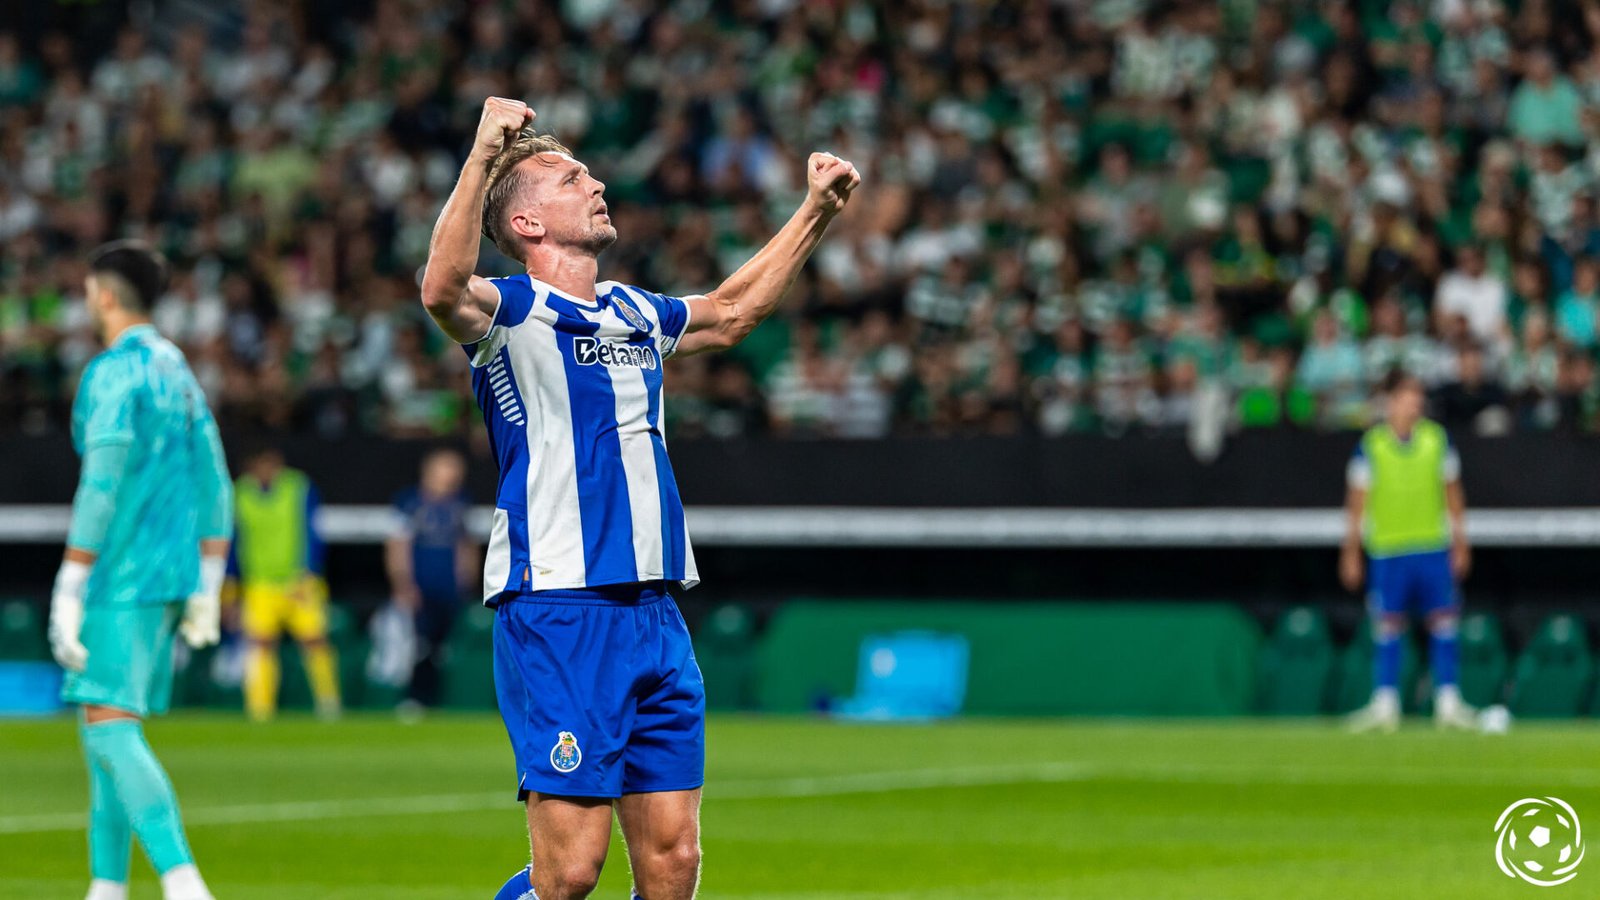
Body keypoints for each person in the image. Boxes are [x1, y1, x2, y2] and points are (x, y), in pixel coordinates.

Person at [419, 97, 857, 900]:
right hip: (559, 604)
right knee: (569, 873)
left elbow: (731, 313)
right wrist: (482, 154)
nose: (594, 184)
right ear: (526, 224)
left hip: (654, 612)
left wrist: (815, 212)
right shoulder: (511, 313)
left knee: (672, 862)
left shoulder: (631, 310)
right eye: (569, 179)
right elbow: (441, 289)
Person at [48, 240, 232, 900]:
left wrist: (70, 581)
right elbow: (215, 482)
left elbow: (100, 484)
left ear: (103, 294)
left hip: (120, 577)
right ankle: (106, 887)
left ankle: (184, 884)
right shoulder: (178, 370)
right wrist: (208, 581)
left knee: (111, 728)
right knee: (104, 730)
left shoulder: (112, 372)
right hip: (172, 576)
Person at [1341, 369, 1476, 733]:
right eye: (1406, 397)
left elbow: (1452, 492)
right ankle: (1385, 703)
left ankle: (1448, 702)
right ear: (1390, 401)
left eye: (1417, 398)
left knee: (1444, 622)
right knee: (1387, 627)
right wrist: (1350, 552)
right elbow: (1357, 502)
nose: (1413, 404)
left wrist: (1460, 542)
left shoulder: (1436, 439)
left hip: (1431, 545)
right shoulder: (1371, 445)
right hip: (1388, 549)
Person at [230, 446, 341, 721]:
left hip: (298, 581)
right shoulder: (240, 493)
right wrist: (232, 587)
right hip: (260, 582)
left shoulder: (298, 487)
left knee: (315, 641)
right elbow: (234, 541)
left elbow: (312, 531)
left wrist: (310, 571)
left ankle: (329, 703)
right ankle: (260, 710)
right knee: (260, 645)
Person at [386, 448, 478, 713]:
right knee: (417, 644)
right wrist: (403, 583)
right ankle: (413, 698)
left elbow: (466, 544)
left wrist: (468, 578)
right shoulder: (409, 502)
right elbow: (397, 545)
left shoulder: (461, 502)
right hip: (420, 585)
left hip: (449, 587)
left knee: (441, 648)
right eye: (448, 467)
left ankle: (435, 699)